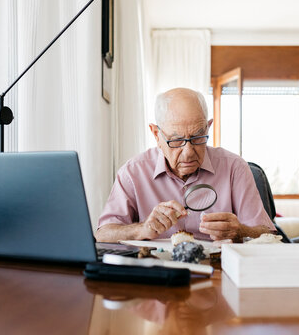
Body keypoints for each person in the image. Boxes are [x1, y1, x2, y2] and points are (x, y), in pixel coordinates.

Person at [95, 87, 276, 242]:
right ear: (156, 134)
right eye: (176, 140)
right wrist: (141, 229)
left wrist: (241, 232)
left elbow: (268, 236)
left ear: (208, 127)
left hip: (219, 270)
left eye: (197, 137)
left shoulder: (234, 168)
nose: (189, 152)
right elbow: (103, 234)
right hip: (156, 271)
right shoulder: (133, 172)